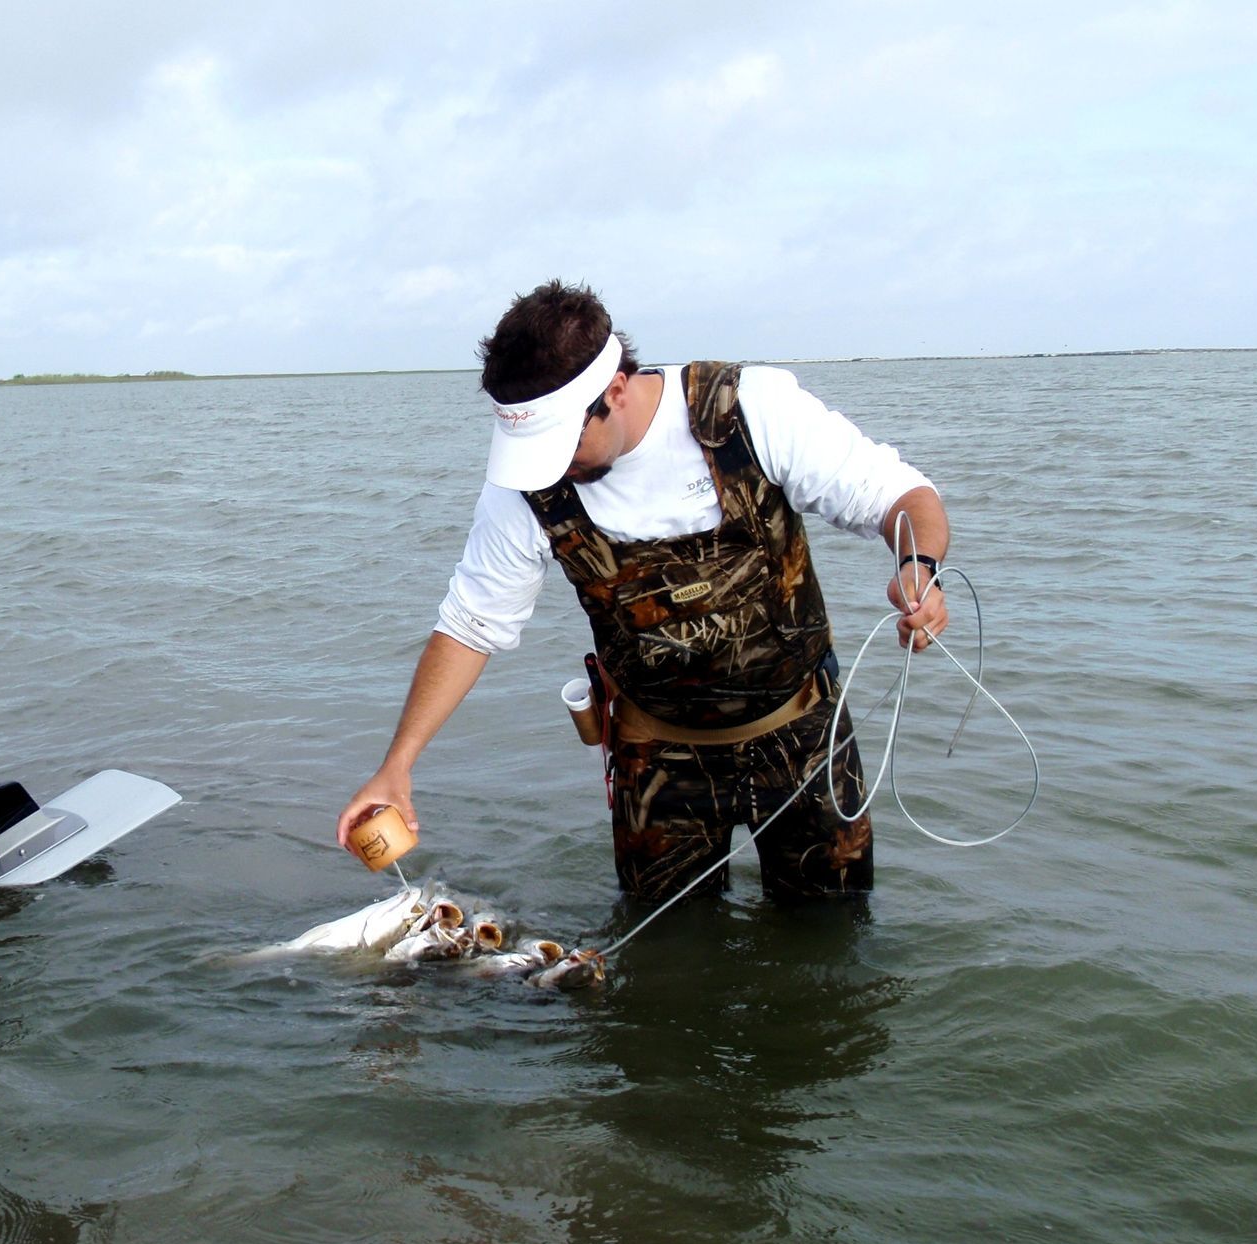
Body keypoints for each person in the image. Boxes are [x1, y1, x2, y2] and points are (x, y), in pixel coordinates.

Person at [335, 281, 952, 904]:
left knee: (832, 939)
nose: (548, 467)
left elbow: (903, 498)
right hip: (655, 762)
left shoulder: (749, 408)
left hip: (802, 737)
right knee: (662, 964)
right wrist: (398, 764)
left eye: (562, 443)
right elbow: (471, 626)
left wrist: (918, 566)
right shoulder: (524, 486)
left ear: (616, 391)